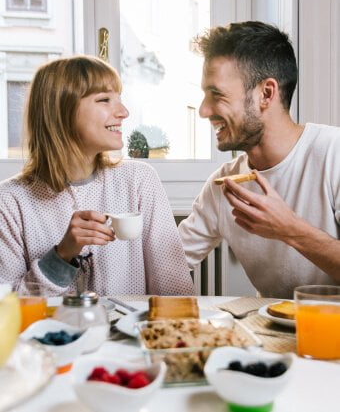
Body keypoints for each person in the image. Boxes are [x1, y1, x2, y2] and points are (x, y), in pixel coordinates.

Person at [0, 55, 194, 296]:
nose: (123, 112)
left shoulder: (139, 180)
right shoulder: (10, 201)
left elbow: (175, 289)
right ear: (61, 112)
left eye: (119, 100)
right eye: (104, 100)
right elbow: (6, 306)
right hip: (48, 334)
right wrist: (61, 255)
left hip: (133, 333)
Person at [178, 21, 340, 299]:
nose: (204, 110)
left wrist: (291, 230)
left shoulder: (334, 154)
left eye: (216, 94)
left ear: (266, 93)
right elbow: (170, 265)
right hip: (269, 334)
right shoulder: (223, 186)